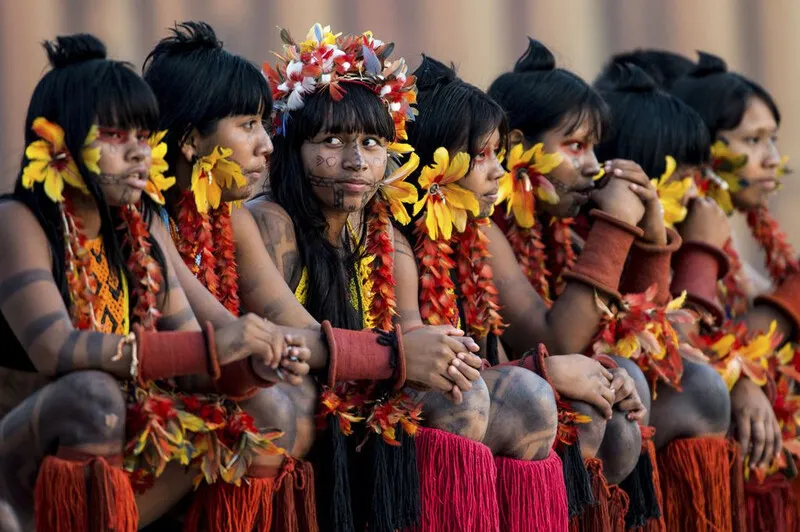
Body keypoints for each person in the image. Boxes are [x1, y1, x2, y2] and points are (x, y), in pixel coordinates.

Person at [0, 34, 308, 532]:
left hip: (123, 436)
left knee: (269, 408)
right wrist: (214, 347)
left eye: (144, 137)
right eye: (116, 137)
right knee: (93, 396)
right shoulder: (19, 220)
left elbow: (192, 366)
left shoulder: (139, 224)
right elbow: (54, 351)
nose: (140, 154)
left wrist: (258, 360)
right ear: (57, 143)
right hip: (20, 463)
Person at [248, 24, 499, 531]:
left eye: (372, 141)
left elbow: (408, 328)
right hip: (299, 397)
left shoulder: (386, 234)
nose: (356, 161)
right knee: (287, 402)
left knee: (486, 396)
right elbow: (292, 343)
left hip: (370, 402)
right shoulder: (270, 222)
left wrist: (449, 357)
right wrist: (402, 354)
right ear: (292, 147)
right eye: (332, 141)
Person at [593, 61, 753, 531]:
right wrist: (695, 249)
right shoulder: (588, 229)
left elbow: (667, 343)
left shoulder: (689, 220)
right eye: (685, 174)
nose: (701, 191)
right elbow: (668, 343)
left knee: (703, 389)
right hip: (596, 397)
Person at [672, 51, 800, 532]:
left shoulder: (724, 225)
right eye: (752, 140)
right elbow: (694, 338)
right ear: (706, 149)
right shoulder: (681, 222)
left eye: (773, 140)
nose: (772, 159)